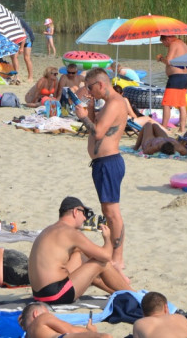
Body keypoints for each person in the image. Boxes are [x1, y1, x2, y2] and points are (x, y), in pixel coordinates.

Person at [28, 196, 132, 304]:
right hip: (55, 294)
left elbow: (88, 258)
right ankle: (135, 294)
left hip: (39, 295)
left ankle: (114, 291)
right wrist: (107, 238)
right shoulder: (71, 232)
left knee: (80, 255)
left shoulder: (49, 229)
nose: (85, 218)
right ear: (75, 212)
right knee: (99, 263)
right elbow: (105, 256)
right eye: (84, 213)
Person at [74, 68, 128, 268]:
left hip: (109, 162)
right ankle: (113, 253)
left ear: (101, 85)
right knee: (108, 210)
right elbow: (97, 121)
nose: (90, 91)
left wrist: (82, 117)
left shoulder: (115, 103)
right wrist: (88, 105)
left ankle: (118, 258)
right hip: (102, 163)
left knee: (112, 212)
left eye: (90, 87)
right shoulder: (107, 104)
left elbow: (97, 132)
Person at [156, 35, 187, 133]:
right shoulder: (184, 45)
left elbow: (169, 61)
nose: (165, 45)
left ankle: (164, 126)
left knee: (166, 103)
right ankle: (182, 128)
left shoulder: (174, 44)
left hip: (176, 77)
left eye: (163, 43)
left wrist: (161, 58)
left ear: (167, 39)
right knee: (181, 103)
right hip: (184, 77)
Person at [20, 302, 109, 338]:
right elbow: (71, 330)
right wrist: (90, 330)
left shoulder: (28, 334)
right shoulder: (41, 318)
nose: (50, 315)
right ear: (36, 314)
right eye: (47, 312)